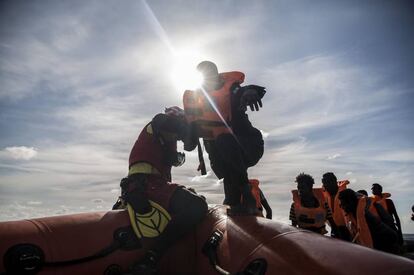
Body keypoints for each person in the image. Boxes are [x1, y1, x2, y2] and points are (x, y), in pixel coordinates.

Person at [113, 107, 208, 274]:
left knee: (193, 197)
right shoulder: (159, 123)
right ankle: (151, 257)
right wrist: (188, 125)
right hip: (146, 184)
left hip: (150, 184)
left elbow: (176, 145)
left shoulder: (164, 140)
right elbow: (163, 122)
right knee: (197, 206)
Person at [182, 61, 266, 215]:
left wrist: (250, 91)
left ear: (216, 75)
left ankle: (248, 198)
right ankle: (233, 199)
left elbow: (240, 92)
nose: (207, 79)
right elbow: (190, 144)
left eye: (210, 74)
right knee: (225, 169)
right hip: (222, 155)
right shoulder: (196, 100)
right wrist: (186, 134)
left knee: (224, 141)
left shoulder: (232, 90)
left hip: (247, 145)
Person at [338, 189, 399, 253]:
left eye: (343, 204)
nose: (340, 207)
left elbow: (383, 236)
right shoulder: (353, 215)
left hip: (387, 244)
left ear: (351, 202)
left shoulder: (365, 216)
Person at [321, 172, 351, 240]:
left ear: (334, 181)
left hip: (348, 230)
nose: (325, 185)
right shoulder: (324, 196)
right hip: (334, 229)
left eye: (327, 182)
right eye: (324, 183)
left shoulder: (346, 194)